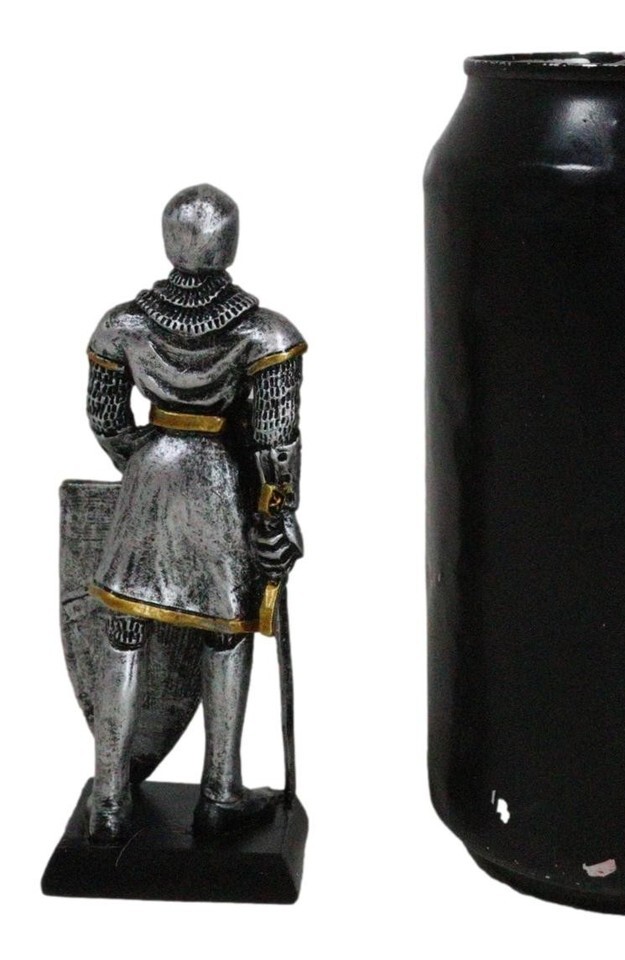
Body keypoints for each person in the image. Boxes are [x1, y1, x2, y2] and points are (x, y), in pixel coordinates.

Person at [85, 184, 304, 841]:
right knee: (225, 631)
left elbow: (105, 415)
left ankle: (109, 802)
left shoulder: (124, 324)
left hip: (149, 477)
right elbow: (275, 442)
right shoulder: (263, 333)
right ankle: (219, 793)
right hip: (219, 480)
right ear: (229, 243)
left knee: (124, 629)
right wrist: (277, 516)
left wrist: (144, 463)